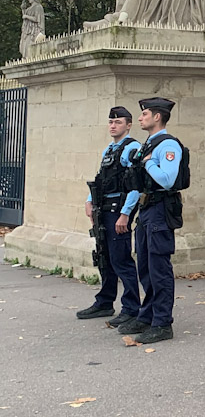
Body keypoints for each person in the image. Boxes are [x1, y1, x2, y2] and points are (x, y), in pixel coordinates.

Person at [114, 96, 187, 345]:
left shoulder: (168, 145)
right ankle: (147, 316)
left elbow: (167, 179)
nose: (141, 117)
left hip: (160, 209)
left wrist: (147, 163)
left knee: (159, 269)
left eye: (145, 114)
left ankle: (162, 323)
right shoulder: (148, 144)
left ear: (157, 117)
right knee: (144, 266)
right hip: (147, 210)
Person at [77, 107, 144, 325]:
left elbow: (136, 186)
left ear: (129, 125)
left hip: (118, 209)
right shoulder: (110, 149)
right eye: (110, 122)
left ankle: (132, 307)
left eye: (118, 122)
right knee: (105, 258)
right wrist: (89, 200)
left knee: (121, 259)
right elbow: (100, 178)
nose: (113, 125)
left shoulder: (132, 148)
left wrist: (125, 214)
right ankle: (105, 302)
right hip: (103, 208)